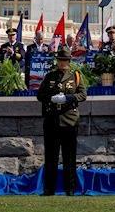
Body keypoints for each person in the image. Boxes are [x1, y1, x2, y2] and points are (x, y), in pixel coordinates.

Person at [37, 47, 87, 196]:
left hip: (69, 120)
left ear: (69, 61)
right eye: (60, 60)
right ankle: (49, 189)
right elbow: (40, 95)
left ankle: (69, 189)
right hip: (52, 119)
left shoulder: (76, 76)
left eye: (65, 60)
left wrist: (68, 98)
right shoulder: (50, 76)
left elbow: (83, 95)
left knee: (69, 157)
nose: (62, 63)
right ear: (57, 61)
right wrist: (50, 98)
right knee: (51, 157)